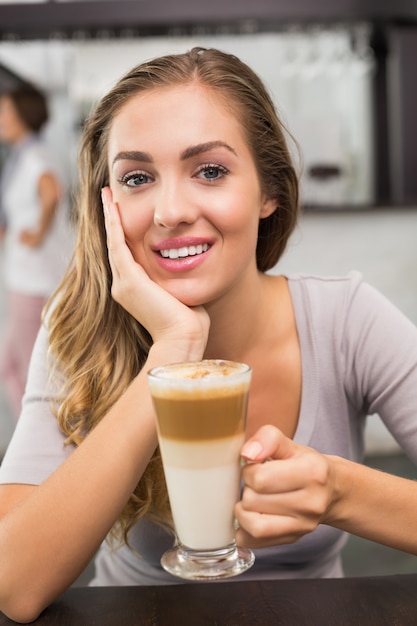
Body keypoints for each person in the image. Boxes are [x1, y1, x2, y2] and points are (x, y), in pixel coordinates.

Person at [0, 46, 416, 623]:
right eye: (138, 178)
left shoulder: (343, 318)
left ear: (268, 191)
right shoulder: (78, 325)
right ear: (108, 208)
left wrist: (340, 493)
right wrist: (169, 353)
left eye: (210, 171)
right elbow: (13, 582)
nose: (170, 210)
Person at [0, 83, 73, 420]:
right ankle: (36, 435)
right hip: (26, 276)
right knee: (10, 364)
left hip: (34, 279)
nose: (0, 119)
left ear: (21, 116)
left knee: (30, 370)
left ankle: (44, 440)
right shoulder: (24, 154)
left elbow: (51, 190)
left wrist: (39, 232)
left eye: (5, 112)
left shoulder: (34, 155)